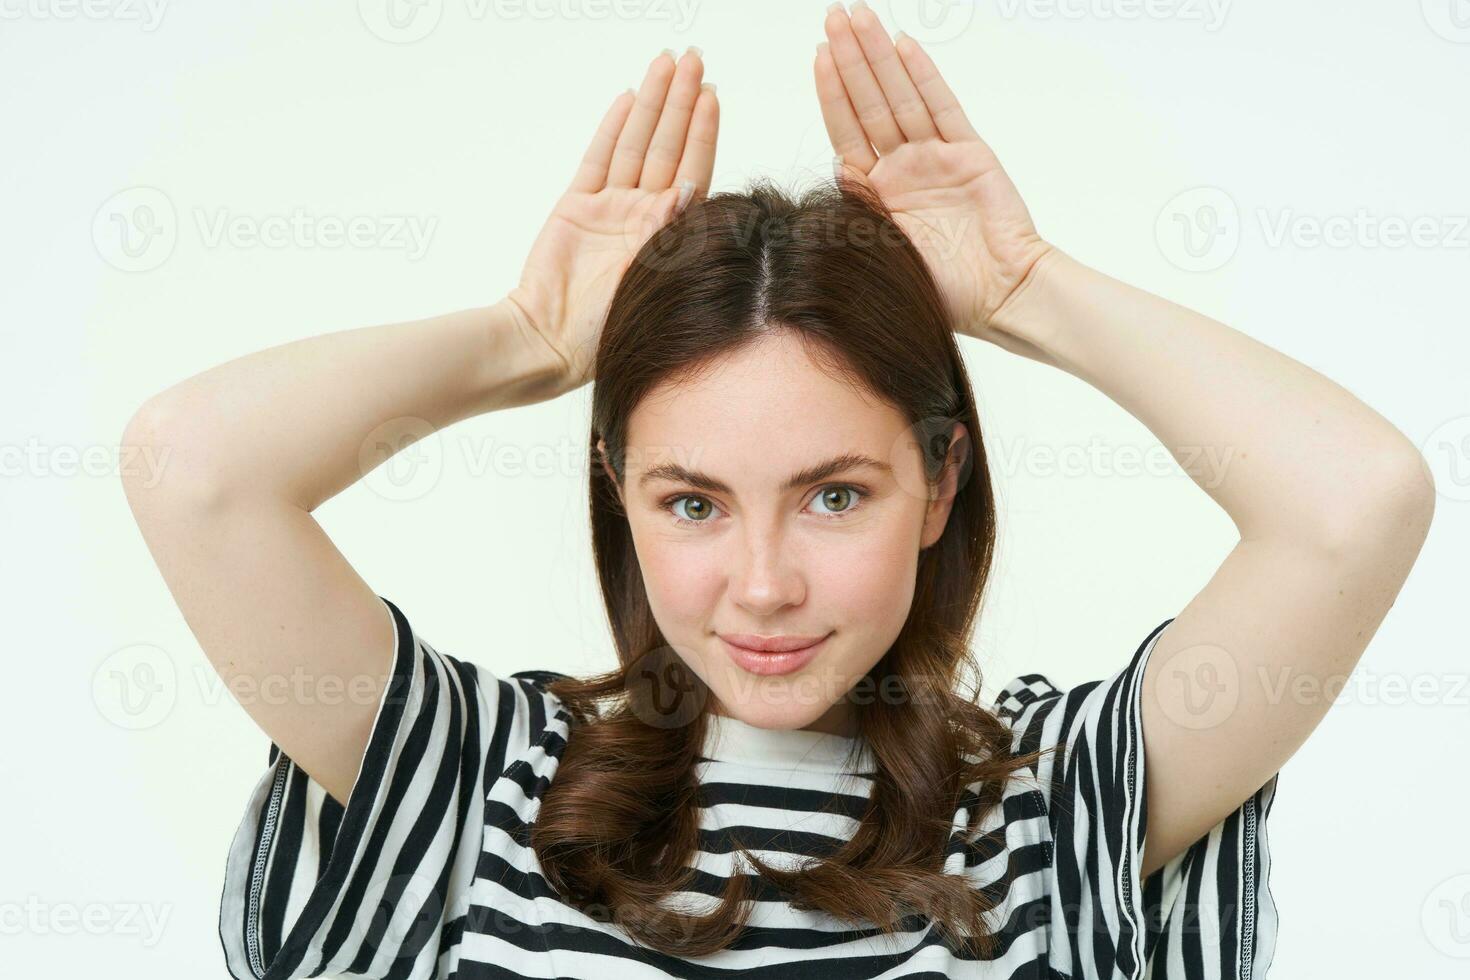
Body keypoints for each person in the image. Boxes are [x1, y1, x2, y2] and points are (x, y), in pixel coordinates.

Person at [120, 7, 1434, 979]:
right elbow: (196, 468)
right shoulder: (470, 780)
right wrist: (525, 332)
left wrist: (1024, 284)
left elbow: (1354, 500)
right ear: (618, 494)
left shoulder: (1059, 804)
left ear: (937, 483)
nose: (760, 584)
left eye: (834, 495)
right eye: (691, 501)